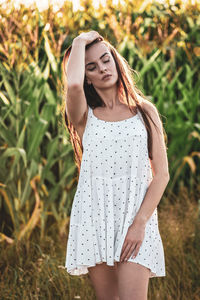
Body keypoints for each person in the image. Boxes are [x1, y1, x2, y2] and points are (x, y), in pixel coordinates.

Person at [61, 30, 170, 300]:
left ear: (115, 61)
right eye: (92, 67)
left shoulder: (145, 112)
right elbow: (73, 87)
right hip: (94, 219)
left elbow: (162, 175)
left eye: (106, 59)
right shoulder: (85, 117)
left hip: (136, 218)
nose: (103, 69)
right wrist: (79, 41)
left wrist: (140, 223)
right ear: (86, 76)